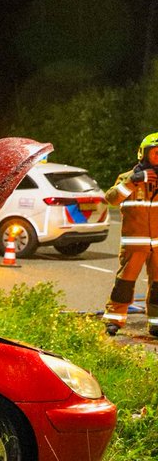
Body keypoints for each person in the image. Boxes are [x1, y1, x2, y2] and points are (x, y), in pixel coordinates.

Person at [104, 132, 158, 336]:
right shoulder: (128, 178)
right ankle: (114, 320)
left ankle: (155, 322)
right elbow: (111, 198)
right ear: (143, 154)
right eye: (155, 152)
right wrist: (134, 181)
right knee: (124, 283)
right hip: (135, 244)